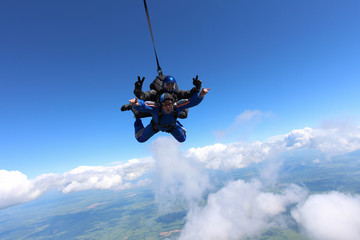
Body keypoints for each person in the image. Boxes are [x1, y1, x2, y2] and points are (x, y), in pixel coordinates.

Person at [129, 87, 210, 143]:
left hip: (172, 126)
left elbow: (191, 102)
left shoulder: (176, 107)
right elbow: (144, 106)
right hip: (156, 126)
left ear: (173, 103)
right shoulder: (156, 108)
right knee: (140, 139)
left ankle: (179, 126)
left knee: (182, 139)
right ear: (161, 104)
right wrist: (136, 104)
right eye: (165, 104)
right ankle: (137, 120)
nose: (168, 106)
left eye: (170, 104)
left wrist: (201, 95)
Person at [121, 75, 202, 119]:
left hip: (170, 109)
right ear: (163, 85)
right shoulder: (156, 92)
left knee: (184, 115)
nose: (170, 87)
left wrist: (197, 87)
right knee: (139, 114)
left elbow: (189, 93)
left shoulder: (177, 93)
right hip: (156, 108)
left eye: (172, 85)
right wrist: (138, 89)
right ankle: (131, 107)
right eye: (168, 85)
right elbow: (143, 96)